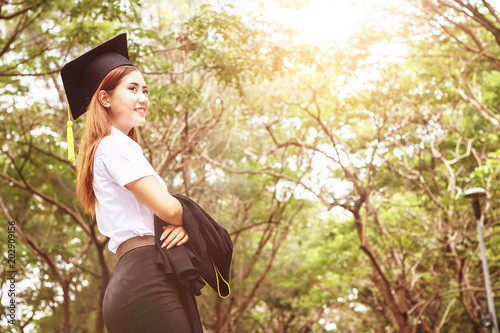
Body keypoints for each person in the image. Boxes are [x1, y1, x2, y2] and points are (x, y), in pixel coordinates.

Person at [61, 34, 201, 332]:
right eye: (133, 88)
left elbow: (167, 212)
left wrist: (177, 219)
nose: (144, 98)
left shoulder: (112, 147)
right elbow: (170, 211)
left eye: (145, 90)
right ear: (105, 97)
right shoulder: (113, 146)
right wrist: (180, 219)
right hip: (147, 280)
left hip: (134, 280)